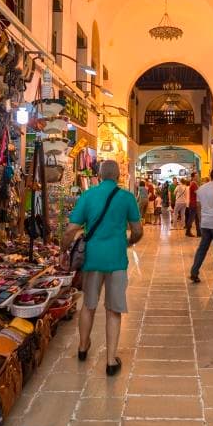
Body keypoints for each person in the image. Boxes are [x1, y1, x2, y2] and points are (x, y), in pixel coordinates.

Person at [64, 160, 143, 376]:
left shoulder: (88, 195)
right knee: (113, 309)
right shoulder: (126, 197)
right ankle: (110, 361)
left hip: (92, 259)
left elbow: (71, 229)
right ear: (118, 176)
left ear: (98, 175)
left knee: (88, 305)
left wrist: (63, 250)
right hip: (116, 259)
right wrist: (128, 242)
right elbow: (137, 230)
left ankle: (82, 348)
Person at [185, 172, 200, 237]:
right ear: (193, 177)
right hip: (193, 204)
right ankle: (188, 231)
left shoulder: (194, 183)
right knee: (191, 218)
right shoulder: (193, 184)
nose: (198, 177)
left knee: (197, 219)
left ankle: (199, 232)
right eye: (196, 176)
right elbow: (197, 192)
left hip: (194, 204)